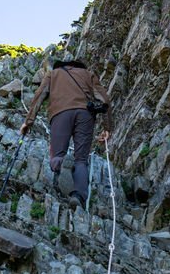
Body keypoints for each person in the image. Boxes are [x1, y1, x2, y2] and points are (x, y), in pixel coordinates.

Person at [20, 55, 112, 208]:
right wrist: (107, 128)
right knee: (81, 159)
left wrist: (28, 122)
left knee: (57, 155)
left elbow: (39, 96)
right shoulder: (88, 74)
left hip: (60, 114)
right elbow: (105, 100)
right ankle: (78, 195)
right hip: (85, 115)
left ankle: (61, 164)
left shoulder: (53, 74)